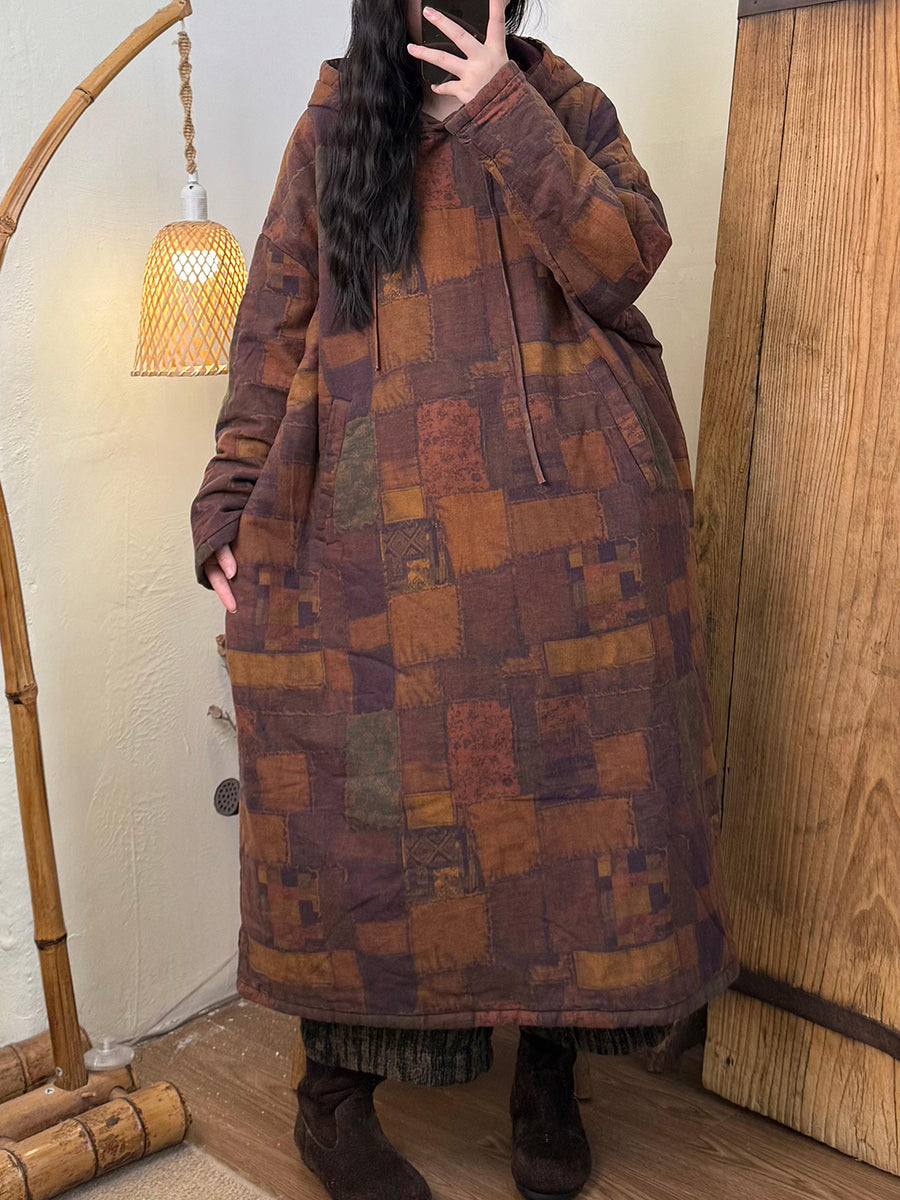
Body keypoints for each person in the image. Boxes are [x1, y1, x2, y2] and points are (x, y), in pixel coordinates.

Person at [189, 2, 741, 1198]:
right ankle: (333, 1097)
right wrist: (228, 501)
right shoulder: (336, 124)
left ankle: (550, 1073)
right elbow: (272, 325)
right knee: (360, 813)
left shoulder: (562, 101)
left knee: (575, 796)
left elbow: (624, 260)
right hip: (372, 538)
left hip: (571, 527)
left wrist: (501, 105)